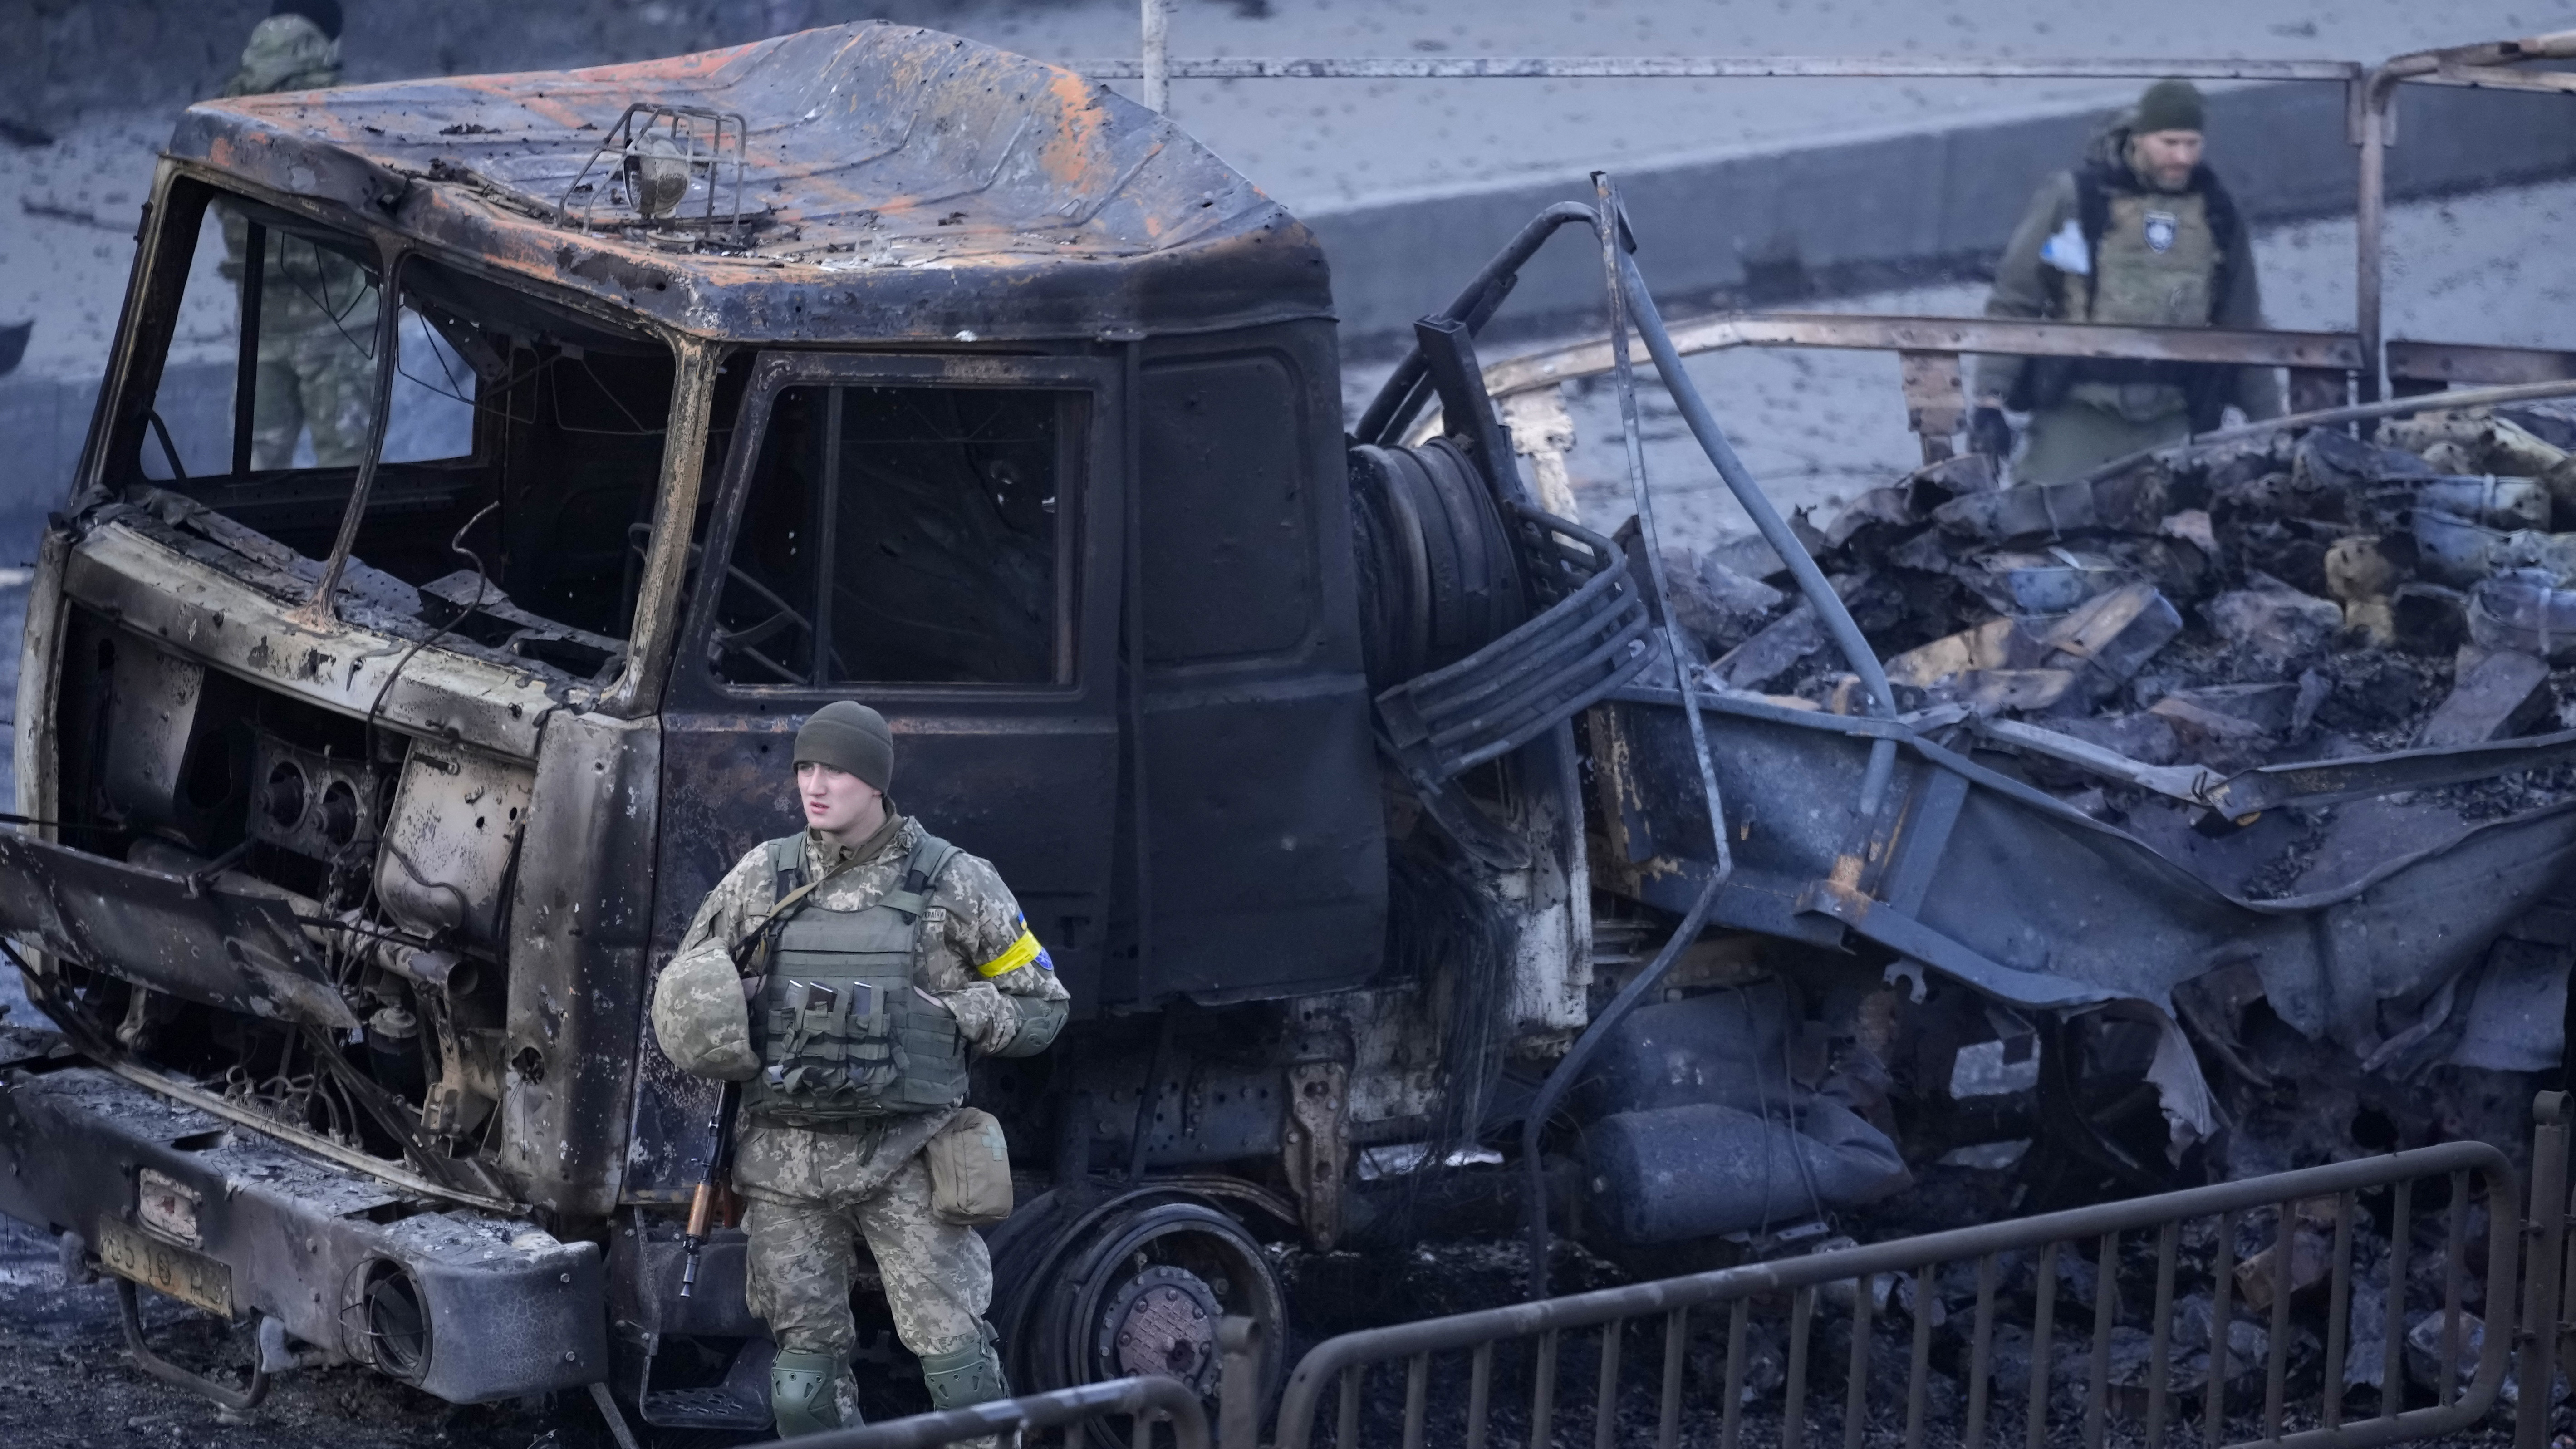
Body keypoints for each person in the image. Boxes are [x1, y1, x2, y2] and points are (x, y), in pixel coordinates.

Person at [650, 701, 1070, 1437]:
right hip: (785, 1164)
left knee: (959, 1364)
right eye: (805, 767)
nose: (815, 784)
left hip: (907, 1158)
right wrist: (733, 1010)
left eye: (836, 769)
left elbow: (1042, 1005)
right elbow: (685, 985)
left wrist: (955, 1012)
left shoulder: (953, 881)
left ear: (875, 780)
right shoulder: (762, 878)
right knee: (802, 1377)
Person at [1969, 79, 2284, 485]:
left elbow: (2242, 326)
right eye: (2169, 143)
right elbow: (2016, 299)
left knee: (2184, 536)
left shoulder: (2216, 214)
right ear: (2139, 138)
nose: (2183, 157)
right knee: (2041, 521)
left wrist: (2273, 430)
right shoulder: (2077, 202)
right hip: (2080, 410)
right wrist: (1989, 400)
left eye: (2192, 143)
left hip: (2174, 416)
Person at [216, 0, 381, 470]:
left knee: (248, 478)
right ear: (329, 39)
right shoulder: (347, 109)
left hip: (260, 324)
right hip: (343, 321)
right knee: (348, 480)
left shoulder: (228, 107)